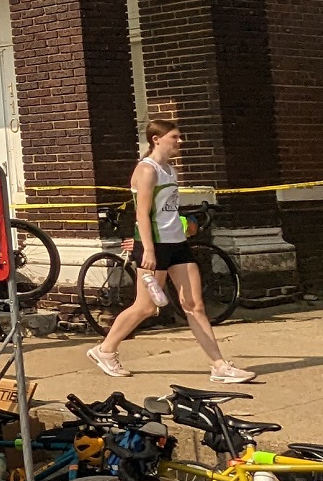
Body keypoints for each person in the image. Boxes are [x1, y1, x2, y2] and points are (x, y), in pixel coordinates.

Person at [86, 121, 257, 386]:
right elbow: (142, 213)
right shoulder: (147, 170)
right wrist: (149, 249)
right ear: (156, 139)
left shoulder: (170, 170)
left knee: (194, 305)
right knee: (146, 306)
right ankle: (105, 350)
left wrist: (185, 226)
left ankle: (219, 365)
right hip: (155, 245)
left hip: (177, 243)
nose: (180, 142)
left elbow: (168, 210)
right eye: (175, 137)